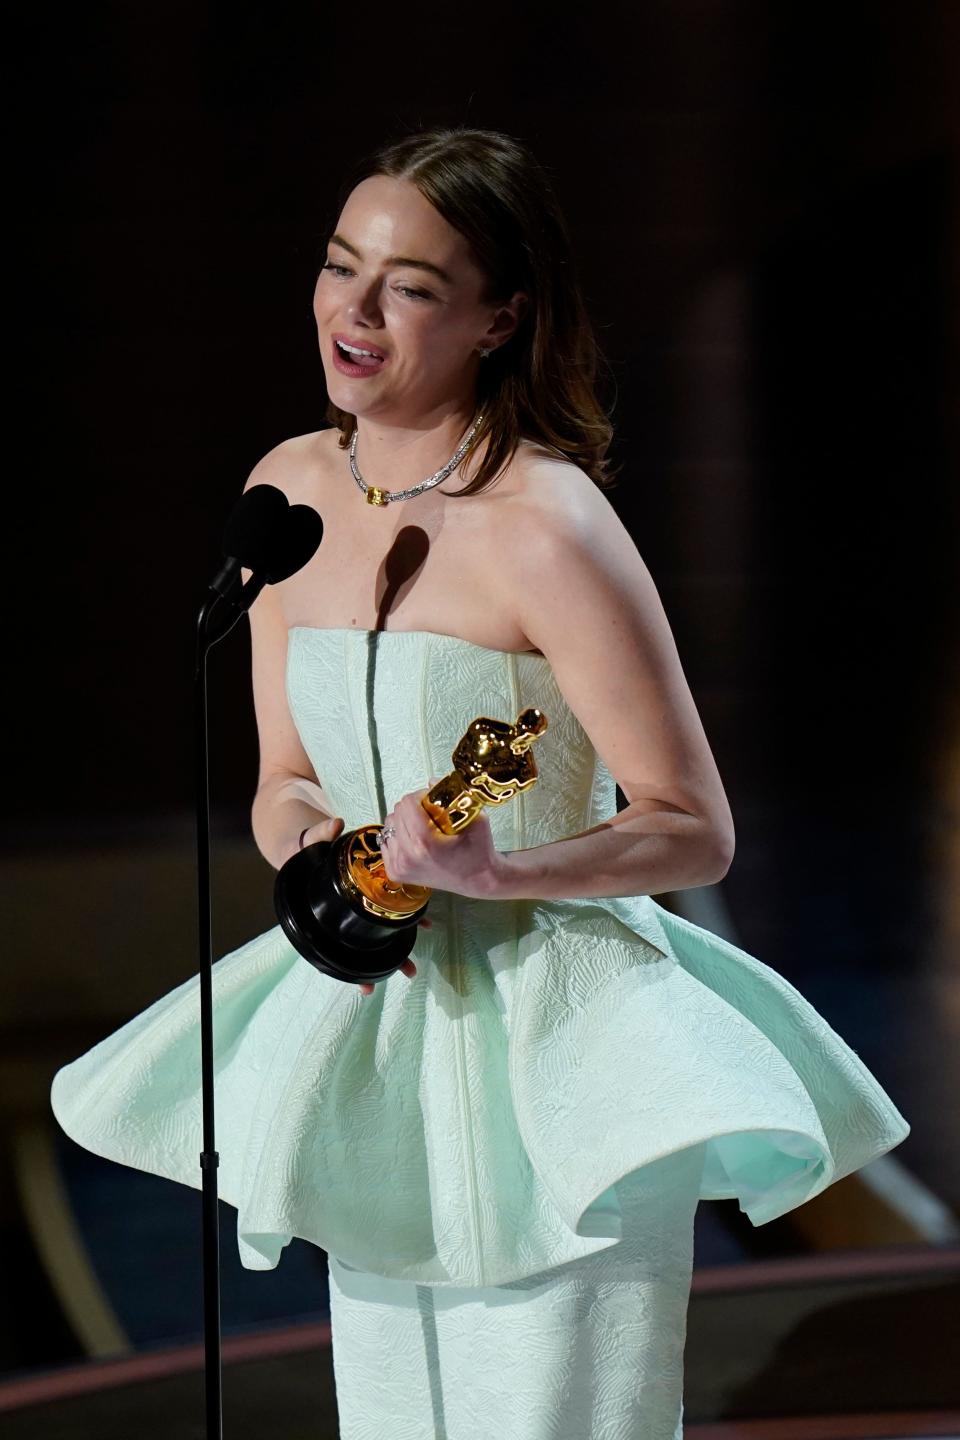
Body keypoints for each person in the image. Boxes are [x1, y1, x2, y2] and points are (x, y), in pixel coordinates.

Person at [50, 127, 910, 1439]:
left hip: (562, 1038)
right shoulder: (285, 492)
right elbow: (283, 779)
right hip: (382, 1031)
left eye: (410, 284)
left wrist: (501, 872)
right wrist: (333, 859)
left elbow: (694, 829)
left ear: (501, 317)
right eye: (343, 267)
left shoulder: (548, 524)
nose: (355, 307)